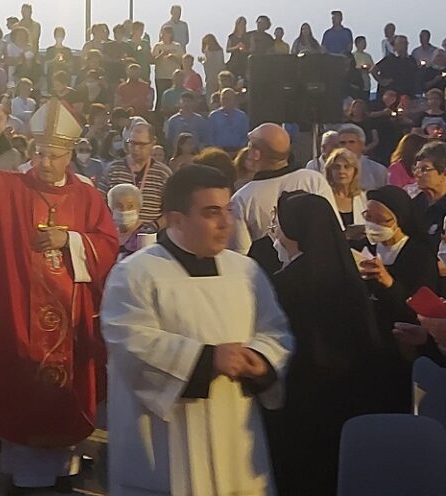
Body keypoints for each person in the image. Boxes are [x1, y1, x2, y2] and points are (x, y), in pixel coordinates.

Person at [0, 100, 118, 494]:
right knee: (22, 400)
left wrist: (70, 240)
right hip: (19, 317)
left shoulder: (87, 196)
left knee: (64, 417)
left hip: (72, 320)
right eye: (41, 153)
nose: (46, 162)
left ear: (71, 155)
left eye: (55, 155)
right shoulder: (10, 185)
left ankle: (64, 474)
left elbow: (108, 244)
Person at [101, 164, 292, 496]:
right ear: (176, 219)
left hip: (235, 436)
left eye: (228, 210)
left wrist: (262, 360)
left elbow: (275, 330)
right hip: (167, 442)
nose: (225, 223)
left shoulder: (245, 270)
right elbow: (129, 340)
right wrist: (205, 359)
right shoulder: (136, 273)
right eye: (211, 212)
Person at [267, 191, 378, 496]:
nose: (276, 233)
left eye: (280, 225)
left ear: (297, 229)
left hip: (303, 395)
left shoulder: (288, 281)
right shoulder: (346, 270)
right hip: (348, 392)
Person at [359, 186, 438, 413]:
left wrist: (388, 282)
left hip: (403, 349)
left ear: (398, 220)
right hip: (372, 344)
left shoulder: (418, 255)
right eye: (368, 217)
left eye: (381, 220)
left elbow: (420, 308)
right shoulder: (367, 248)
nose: (373, 225)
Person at [230, 123, 339, 254]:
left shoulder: (242, 199)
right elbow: (334, 230)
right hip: (320, 264)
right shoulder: (313, 179)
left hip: (267, 272)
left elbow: (241, 253)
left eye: (250, 145)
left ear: (256, 154)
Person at [100, 123, 173, 228]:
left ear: (153, 143)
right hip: (116, 234)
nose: (136, 148)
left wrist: (154, 226)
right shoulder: (113, 169)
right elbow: (100, 203)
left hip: (149, 236)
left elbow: (171, 210)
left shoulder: (163, 173)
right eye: (132, 143)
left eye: (141, 144)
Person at [412, 142, 446, 259]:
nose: (417, 174)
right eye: (415, 169)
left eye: (424, 169)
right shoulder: (414, 204)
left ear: (444, 173)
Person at [106, 183, 156, 259]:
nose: (124, 210)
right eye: (119, 206)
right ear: (111, 207)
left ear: (139, 207)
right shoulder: (107, 233)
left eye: (130, 206)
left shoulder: (146, 234)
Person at [337, 124, 387, 191]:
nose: (347, 146)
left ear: (362, 145)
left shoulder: (378, 170)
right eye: (342, 143)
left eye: (351, 142)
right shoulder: (331, 170)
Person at [325, 147, 367, 228]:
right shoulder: (324, 197)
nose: (341, 171)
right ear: (329, 171)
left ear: (355, 171)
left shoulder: (364, 199)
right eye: (336, 167)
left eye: (347, 167)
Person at [164, 91, 208, 155]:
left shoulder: (199, 120)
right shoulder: (173, 120)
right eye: (184, 101)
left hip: (195, 152)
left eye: (189, 101)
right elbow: (169, 139)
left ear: (193, 103)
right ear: (180, 102)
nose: (186, 104)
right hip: (178, 153)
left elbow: (204, 138)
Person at [151, 26, 184, 113]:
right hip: (161, 76)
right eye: (164, 33)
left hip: (173, 77)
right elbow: (153, 61)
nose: (166, 35)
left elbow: (182, 61)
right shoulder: (158, 46)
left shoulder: (177, 46)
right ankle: (159, 119)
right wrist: (162, 54)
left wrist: (173, 58)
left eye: (168, 33)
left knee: (174, 98)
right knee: (161, 98)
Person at [207, 88, 249, 153]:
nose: (226, 101)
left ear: (234, 100)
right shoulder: (213, 116)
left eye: (228, 99)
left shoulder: (242, 116)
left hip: (237, 151)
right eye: (223, 98)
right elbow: (210, 136)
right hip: (219, 152)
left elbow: (245, 136)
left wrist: (239, 150)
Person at [199, 34, 225, 98]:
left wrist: (202, 61)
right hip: (216, 76)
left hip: (212, 76)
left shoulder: (209, 51)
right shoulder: (219, 50)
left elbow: (209, 64)